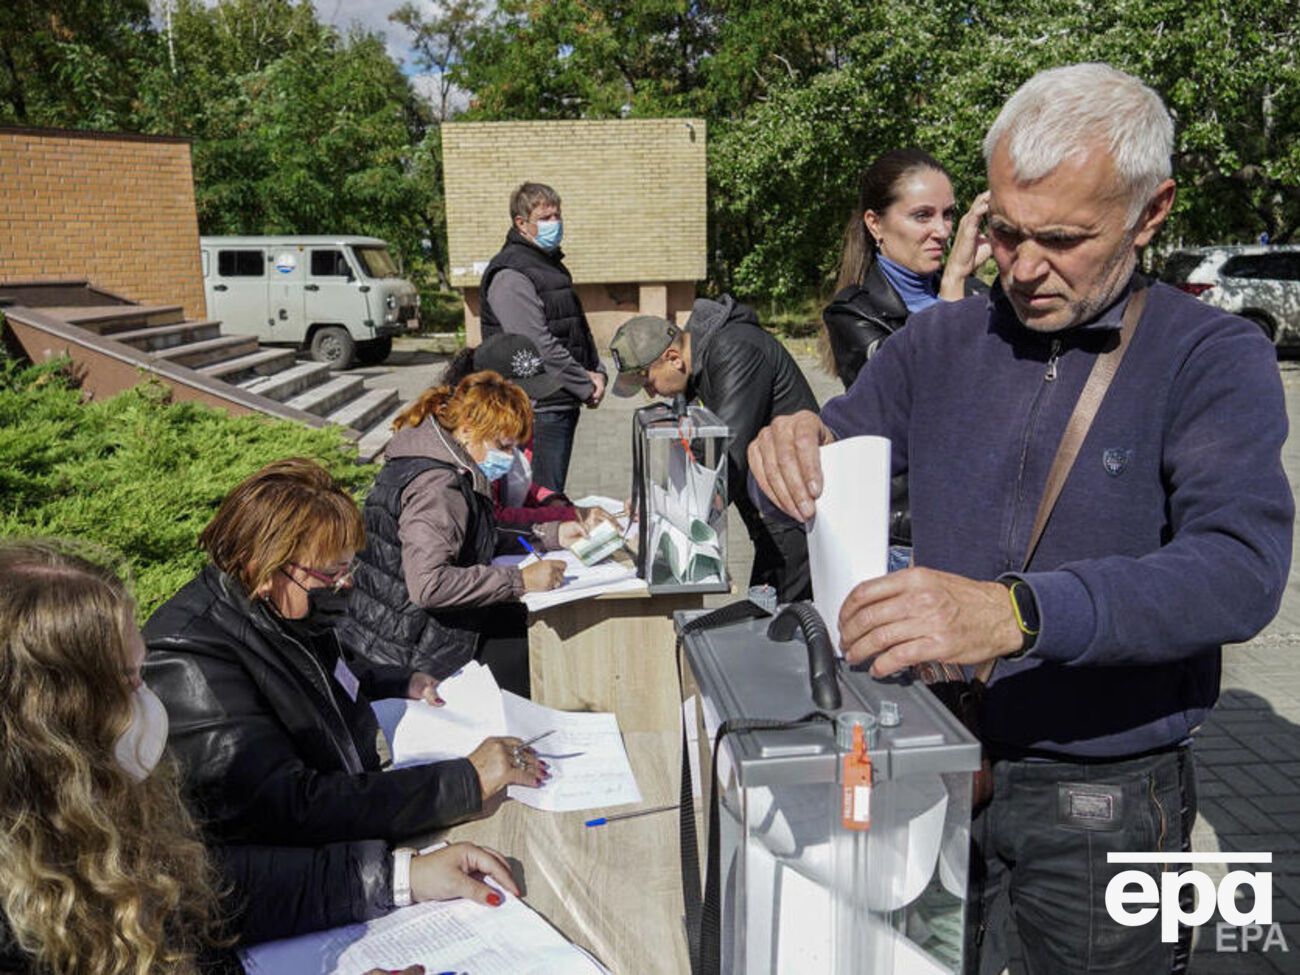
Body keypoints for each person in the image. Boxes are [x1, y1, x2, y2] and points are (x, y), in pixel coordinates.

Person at [748, 63, 1293, 975]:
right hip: (930, 763)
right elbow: (827, 460)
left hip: (1107, 801)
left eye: (1064, 238)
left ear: (1151, 213)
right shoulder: (939, 340)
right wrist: (786, 445)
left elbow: (1238, 571)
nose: (1024, 266)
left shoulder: (1213, 357)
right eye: (1003, 229)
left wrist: (1019, 612)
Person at [0, 539, 514, 973]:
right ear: (45, 720)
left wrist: (400, 878)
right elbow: (288, 803)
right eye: (128, 679)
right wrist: (459, 784)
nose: (146, 694)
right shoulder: (15, 925)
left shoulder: (84, 809)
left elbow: (194, 884)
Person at [143, 462, 535, 944]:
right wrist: (462, 781)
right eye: (330, 572)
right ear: (265, 567)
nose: (345, 584)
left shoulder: (282, 610)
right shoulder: (188, 658)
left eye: (348, 566)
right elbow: (287, 805)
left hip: (351, 840)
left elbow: (328, 671)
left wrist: (396, 679)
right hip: (296, 895)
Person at [341, 370, 585, 696]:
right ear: (468, 430)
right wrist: (519, 580)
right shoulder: (437, 486)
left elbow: (477, 532)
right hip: (407, 647)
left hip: (409, 630)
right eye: (503, 446)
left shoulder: (450, 464)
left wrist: (552, 533)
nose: (510, 458)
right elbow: (429, 585)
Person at [609, 297, 819, 602]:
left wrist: (671, 517)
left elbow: (726, 455)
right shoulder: (697, 369)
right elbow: (694, 450)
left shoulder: (735, 350)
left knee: (776, 628)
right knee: (767, 622)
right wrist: (656, 497)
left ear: (673, 358)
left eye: (649, 383)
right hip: (772, 513)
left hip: (795, 514)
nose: (650, 393)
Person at [821, 149, 991, 391]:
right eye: (922, 216)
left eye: (948, 214)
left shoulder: (975, 293)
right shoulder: (854, 315)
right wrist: (954, 277)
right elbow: (926, 393)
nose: (943, 231)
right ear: (875, 224)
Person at [479, 181, 606, 494]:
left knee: (551, 492)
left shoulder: (549, 266)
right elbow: (536, 344)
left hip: (560, 400)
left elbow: (576, 328)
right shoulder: (512, 274)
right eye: (546, 218)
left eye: (557, 215)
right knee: (539, 498)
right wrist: (584, 382)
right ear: (521, 223)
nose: (555, 224)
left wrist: (598, 371)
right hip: (537, 405)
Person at [440, 332, 622, 535]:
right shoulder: (455, 452)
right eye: (521, 395)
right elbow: (494, 516)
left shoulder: (505, 427)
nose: (529, 405)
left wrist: (551, 500)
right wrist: (562, 520)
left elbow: (515, 482)